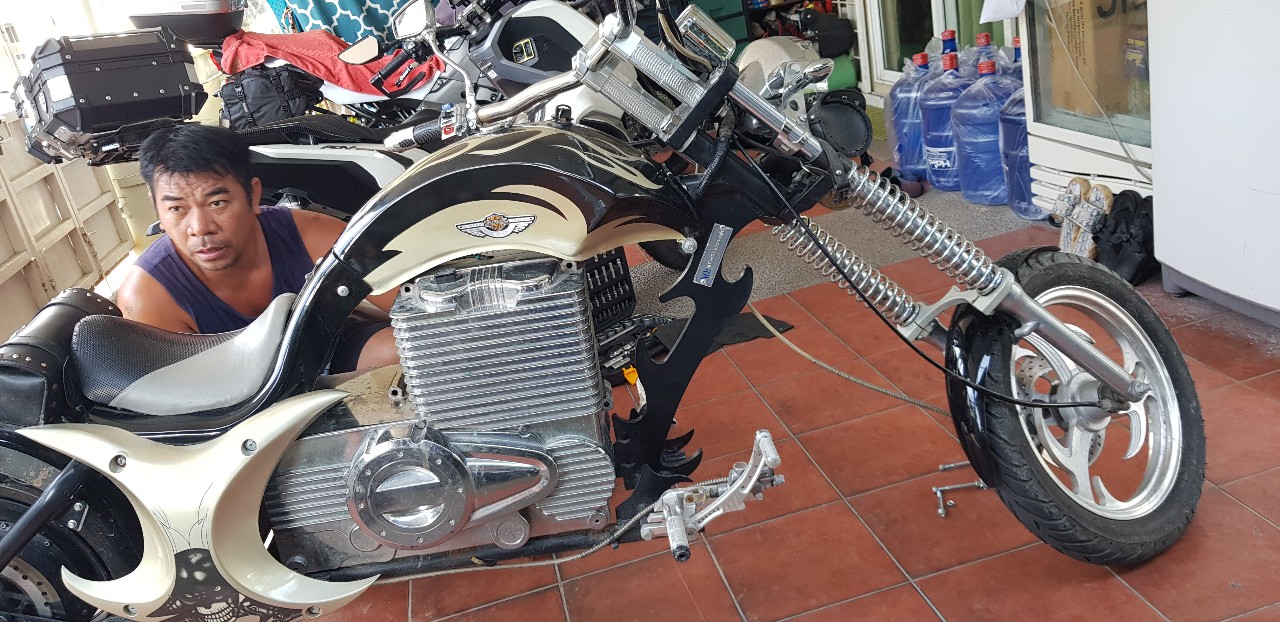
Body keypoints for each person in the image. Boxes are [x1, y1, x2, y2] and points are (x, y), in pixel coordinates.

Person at [116, 123, 398, 373]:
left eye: (217, 203)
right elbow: (187, 399)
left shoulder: (310, 235)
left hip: (322, 348)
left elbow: (408, 301)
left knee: (399, 351)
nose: (200, 228)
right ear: (156, 207)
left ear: (253, 195)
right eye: (177, 208)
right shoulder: (148, 298)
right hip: (232, 389)